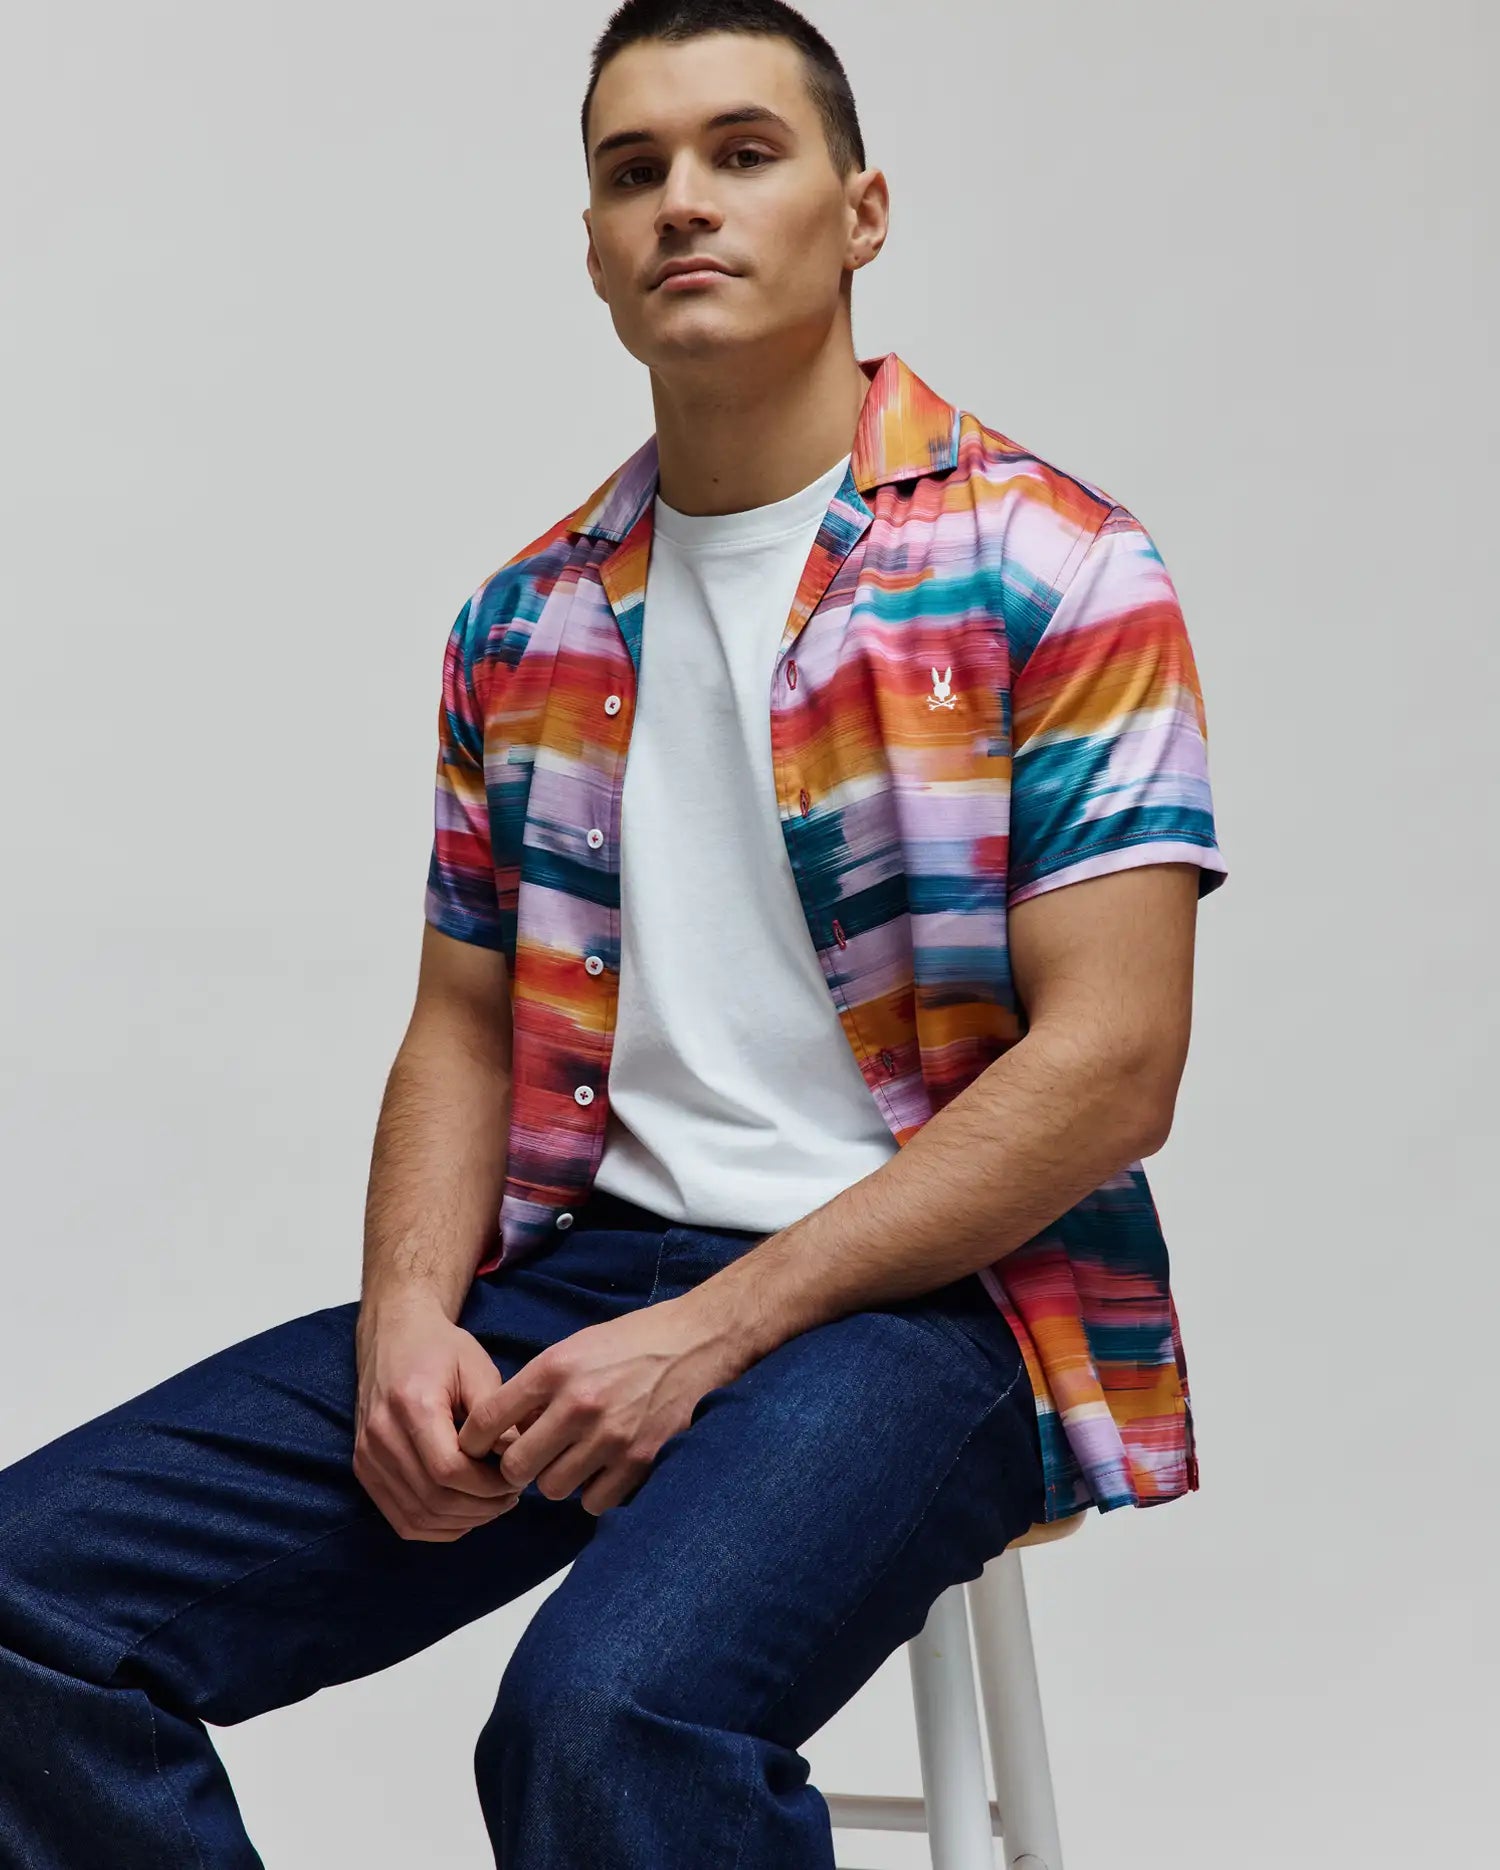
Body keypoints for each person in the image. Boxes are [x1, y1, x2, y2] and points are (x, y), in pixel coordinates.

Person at [0, 2, 1230, 1865]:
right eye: (634, 170)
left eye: (744, 152)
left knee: (606, 1719)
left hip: (936, 1310)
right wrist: (409, 1319)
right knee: (28, 1600)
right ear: (592, 246)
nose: (685, 202)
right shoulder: (527, 620)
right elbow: (462, 1022)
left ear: (862, 208)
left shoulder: (1053, 564)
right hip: (589, 1279)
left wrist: (716, 1332)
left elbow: (1115, 1067)